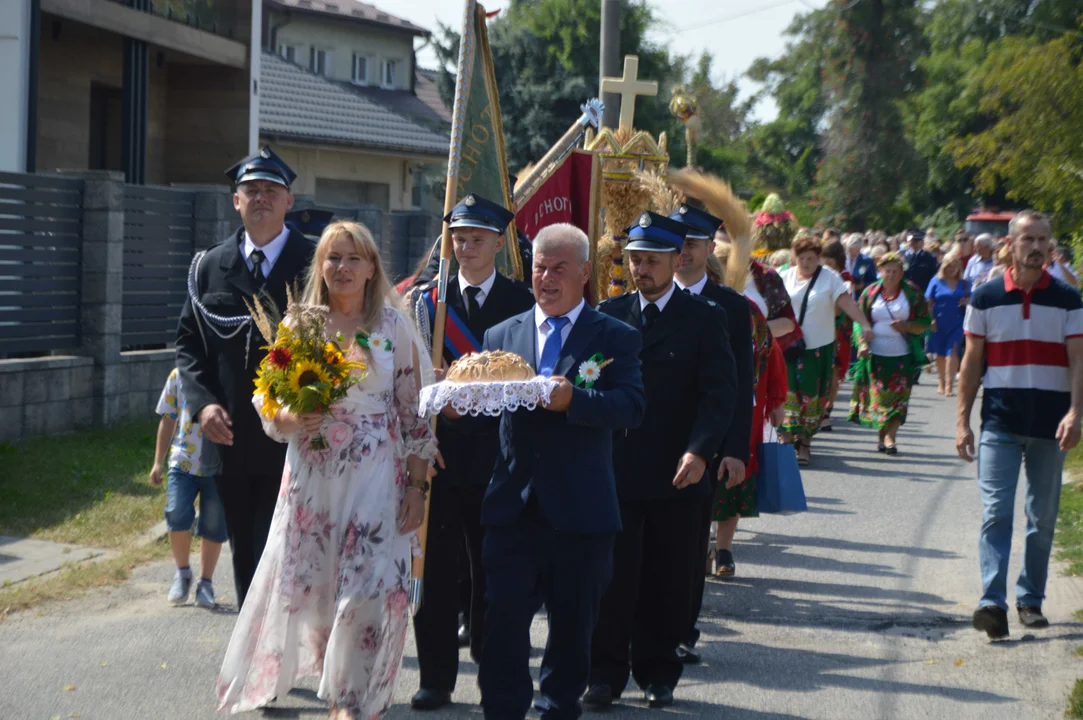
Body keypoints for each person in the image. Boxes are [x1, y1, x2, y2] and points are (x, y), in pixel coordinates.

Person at [216, 221, 438, 718]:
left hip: (377, 478)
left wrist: (417, 487)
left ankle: (351, 700)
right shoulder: (299, 325)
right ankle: (322, 684)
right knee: (313, 588)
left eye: (353, 258)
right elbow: (268, 398)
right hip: (313, 482)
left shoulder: (393, 327)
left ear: (371, 268)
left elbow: (415, 411)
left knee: (368, 588)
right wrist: (291, 416)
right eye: (333, 258)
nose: (342, 267)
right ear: (320, 266)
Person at [476, 223, 646, 720]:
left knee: (572, 633)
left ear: (585, 273)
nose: (546, 279)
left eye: (558, 269)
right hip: (512, 509)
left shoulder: (616, 337)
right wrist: (454, 402)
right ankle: (502, 711)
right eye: (539, 269)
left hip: (581, 512)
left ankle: (557, 709)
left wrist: (577, 400)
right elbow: (486, 405)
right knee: (502, 622)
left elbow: (632, 406)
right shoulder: (500, 335)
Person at [586, 211, 735, 709]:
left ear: (677, 260)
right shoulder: (608, 315)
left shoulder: (703, 318)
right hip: (618, 469)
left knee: (668, 578)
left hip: (678, 470)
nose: (641, 269)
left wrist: (701, 449)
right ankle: (604, 673)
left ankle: (657, 672)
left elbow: (719, 395)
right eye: (634, 259)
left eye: (651, 260)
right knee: (611, 578)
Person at [409, 194, 534, 712]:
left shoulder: (522, 302)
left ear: (498, 243)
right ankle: (435, 677)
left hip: (500, 460)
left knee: (494, 573)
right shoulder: (427, 302)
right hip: (440, 457)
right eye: (458, 237)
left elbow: (528, 379)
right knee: (434, 570)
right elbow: (409, 383)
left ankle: (491, 669)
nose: (466, 246)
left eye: (477, 238)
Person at [175, 147, 316, 608]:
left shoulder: (317, 263)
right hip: (230, 432)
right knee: (246, 551)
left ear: (289, 201)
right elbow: (189, 345)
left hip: (297, 435)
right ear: (235, 201)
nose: (261, 198)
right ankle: (254, 650)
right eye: (251, 191)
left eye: (271, 191)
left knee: (291, 548)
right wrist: (202, 403)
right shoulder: (210, 266)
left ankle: (288, 641)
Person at [957, 210, 1083, 640]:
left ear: (1050, 246)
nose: (1036, 247)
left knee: (1042, 518)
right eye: (1027, 239)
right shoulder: (986, 297)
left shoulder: (1068, 299)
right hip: (1000, 422)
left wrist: (1076, 412)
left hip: (1052, 425)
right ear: (1009, 245)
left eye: (1043, 239)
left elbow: (1078, 360)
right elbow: (972, 364)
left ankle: (1030, 599)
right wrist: (962, 422)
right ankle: (992, 602)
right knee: (996, 513)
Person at [671, 205, 754, 663]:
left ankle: (683, 629)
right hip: (651, 442)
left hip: (704, 444)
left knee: (688, 546)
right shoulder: (643, 299)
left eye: (693, 244)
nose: (683, 253)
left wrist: (736, 449)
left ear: (709, 249)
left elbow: (741, 383)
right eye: (677, 244)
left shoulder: (731, 306)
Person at [781, 235, 873, 464]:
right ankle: (785, 442)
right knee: (785, 394)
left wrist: (864, 324)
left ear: (819, 258)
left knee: (811, 397)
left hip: (817, 349)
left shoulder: (829, 278)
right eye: (801, 258)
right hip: (789, 347)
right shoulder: (785, 276)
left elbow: (847, 303)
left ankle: (805, 445)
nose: (805, 263)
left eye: (810, 258)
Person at [149, 368, 225, 608]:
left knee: (214, 523)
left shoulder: (227, 372)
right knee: (176, 512)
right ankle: (182, 573)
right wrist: (158, 462)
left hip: (219, 464)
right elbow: (168, 417)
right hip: (182, 461)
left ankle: (206, 583)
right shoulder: (179, 375)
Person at [849, 253, 932, 454]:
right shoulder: (870, 293)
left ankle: (890, 438)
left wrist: (907, 326)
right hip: (875, 356)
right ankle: (882, 436)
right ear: (880, 271)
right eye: (887, 271)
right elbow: (859, 320)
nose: (891, 275)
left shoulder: (912, 293)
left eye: (896, 271)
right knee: (880, 400)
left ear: (902, 272)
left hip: (902, 356)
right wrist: (862, 343)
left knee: (899, 399)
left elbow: (925, 322)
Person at [925, 248, 971, 396]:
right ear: (944, 266)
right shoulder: (936, 281)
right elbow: (929, 302)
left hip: (957, 321)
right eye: (948, 266)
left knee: (953, 352)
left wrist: (966, 301)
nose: (951, 269)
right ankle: (942, 381)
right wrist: (931, 320)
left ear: (958, 267)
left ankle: (949, 385)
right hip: (938, 320)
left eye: (954, 266)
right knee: (940, 353)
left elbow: (972, 299)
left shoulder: (964, 283)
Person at [900, 229, 939, 293]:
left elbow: (932, 277)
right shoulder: (901, 256)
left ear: (922, 242)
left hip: (922, 292)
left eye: (917, 240)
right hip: (904, 291)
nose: (915, 243)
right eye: (913, 240)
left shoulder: (930, 257)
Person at [844, 233, 878, 297]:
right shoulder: (841, 259)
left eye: (856, 250)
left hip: (859, 297)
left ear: (860, 249)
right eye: (850, 250)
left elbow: (874, 282)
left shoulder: (867, 261)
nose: (853, 253)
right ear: (846, 247)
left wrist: (863, 285)